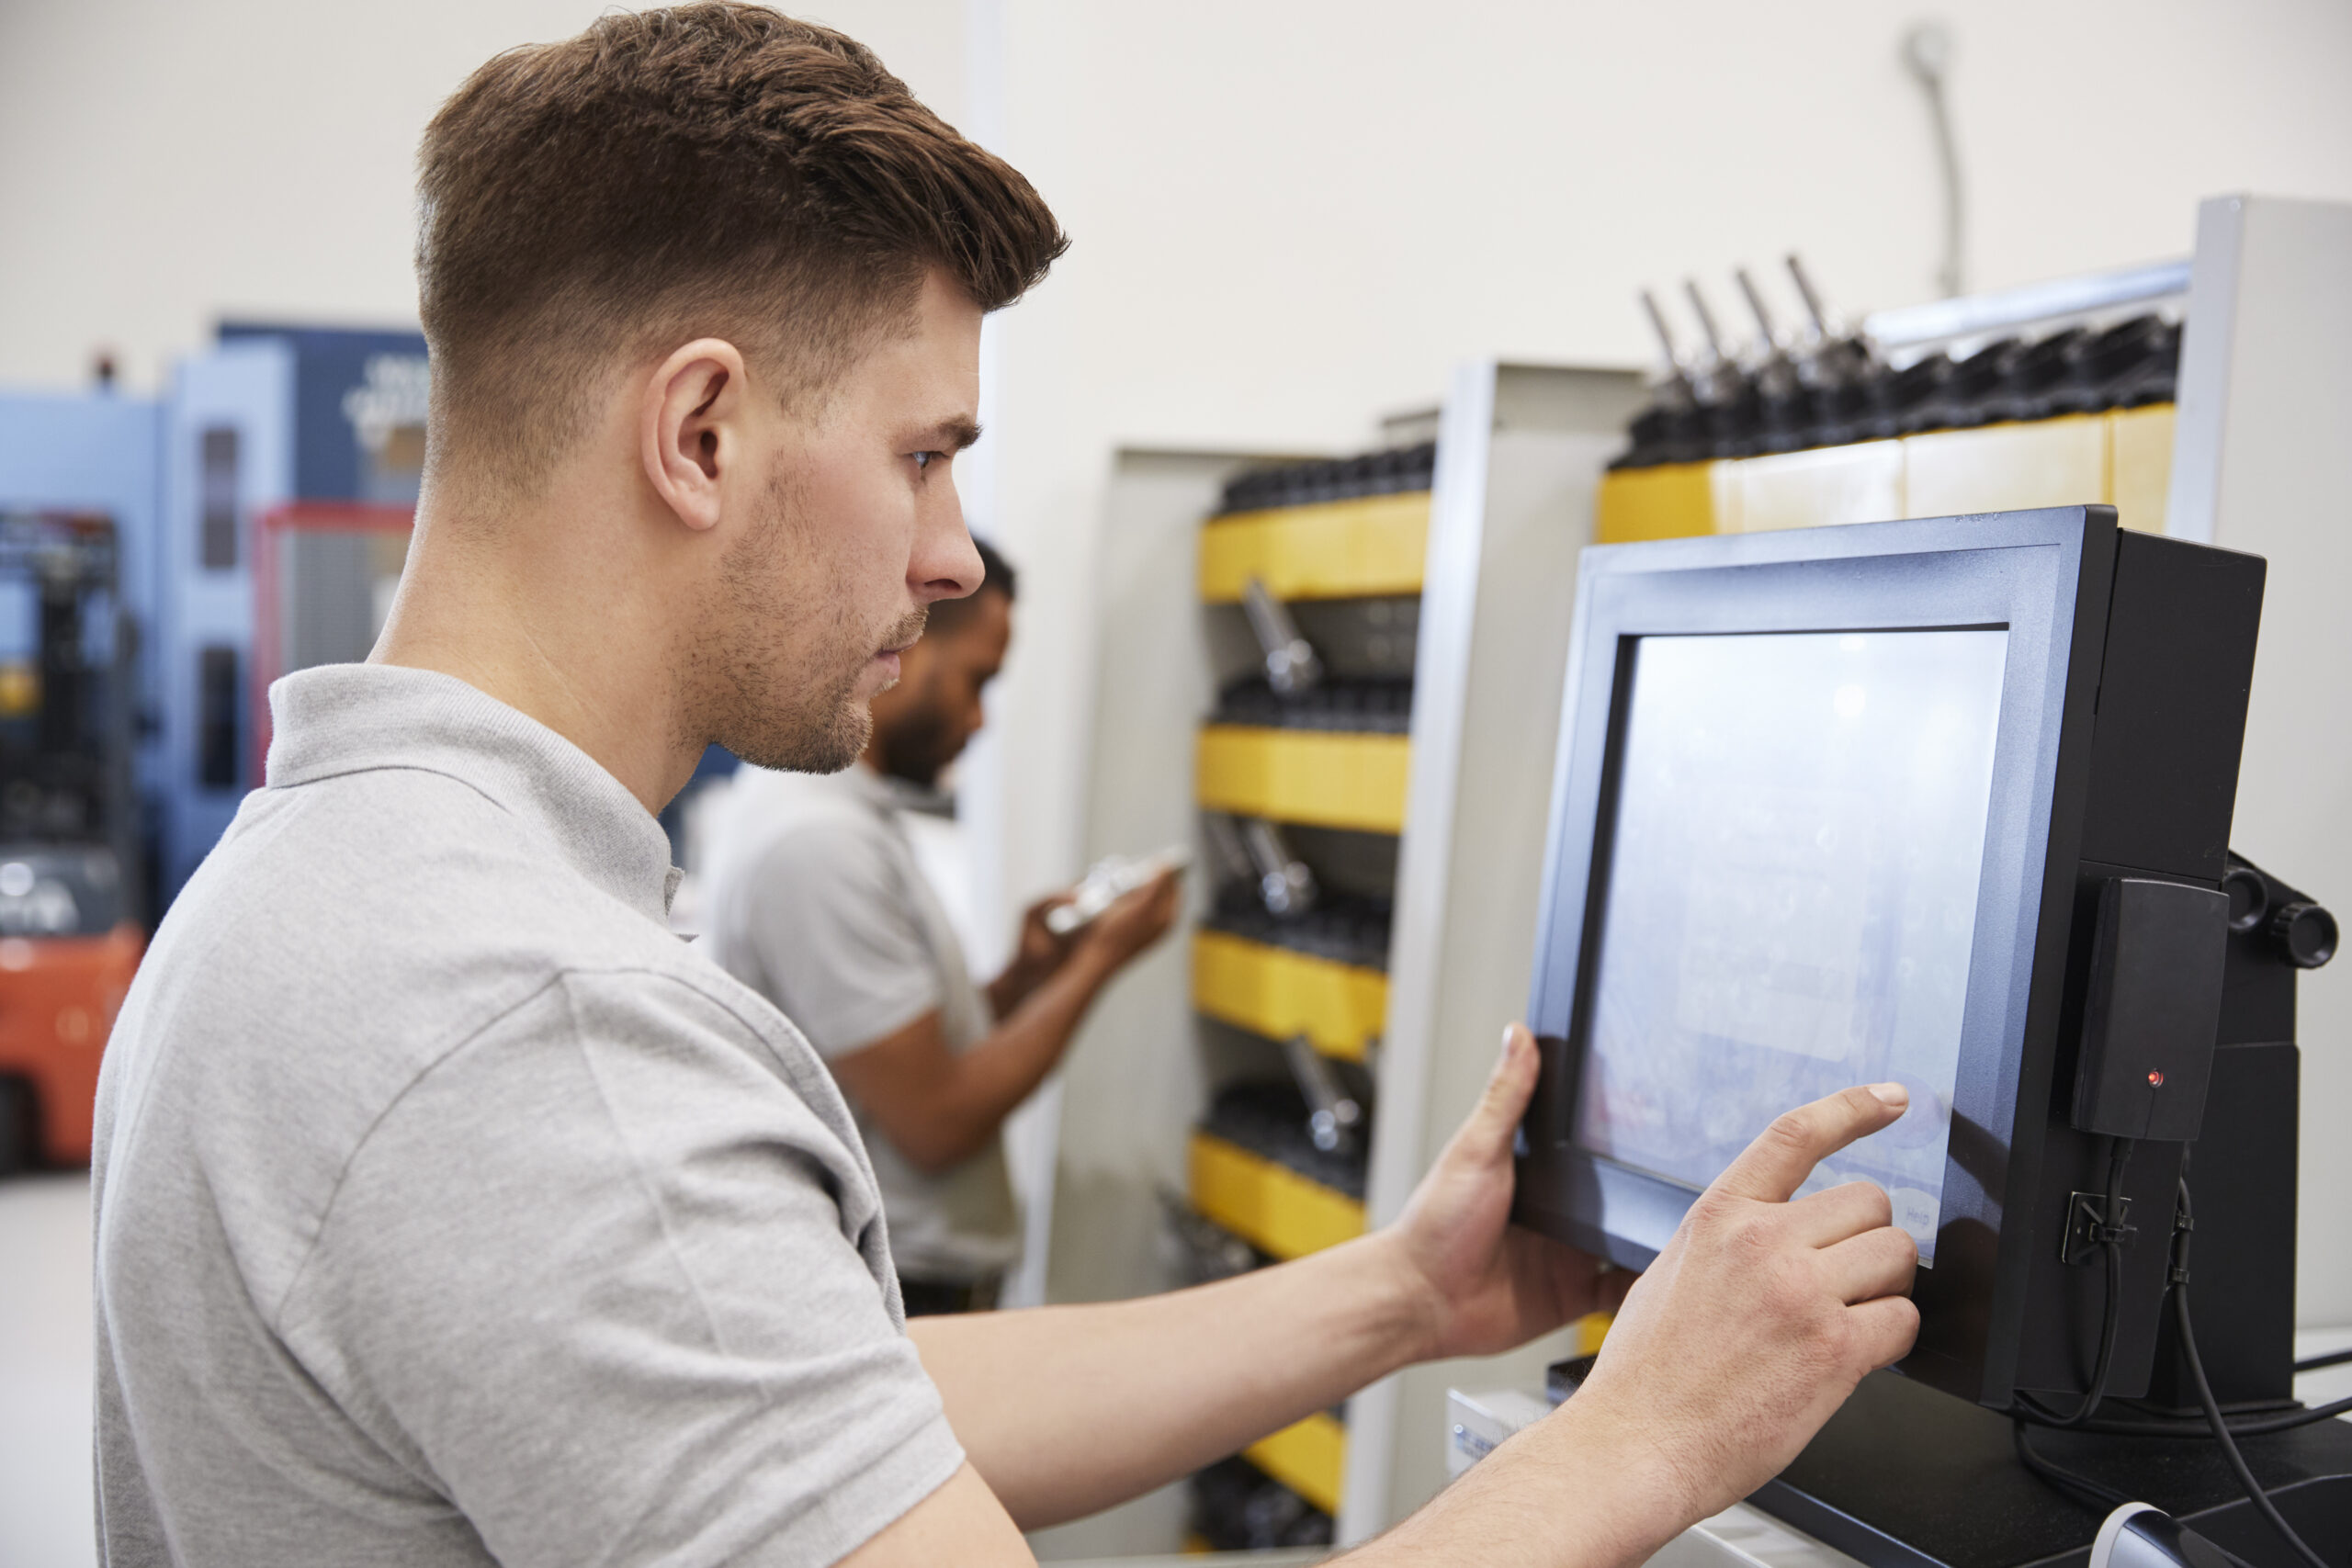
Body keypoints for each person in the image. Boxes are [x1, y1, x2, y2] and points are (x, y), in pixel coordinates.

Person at [88, 8, 1920, 1567]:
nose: (953, 552)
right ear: (700, 432)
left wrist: (1396, 1297)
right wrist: (1645, 1436)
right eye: (923, 454)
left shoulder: (326, 877)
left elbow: (826, 1410)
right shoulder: (538, 1030)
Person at [699, 536, 1179, 1314]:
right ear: (907, 646)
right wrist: (1102, 959)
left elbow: (911, 1052)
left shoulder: (848, 816)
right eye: (976, 681)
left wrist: (1026, 976)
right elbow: (937, 1121)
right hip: (889, 1286)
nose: (980, 719)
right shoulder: (818, 843)